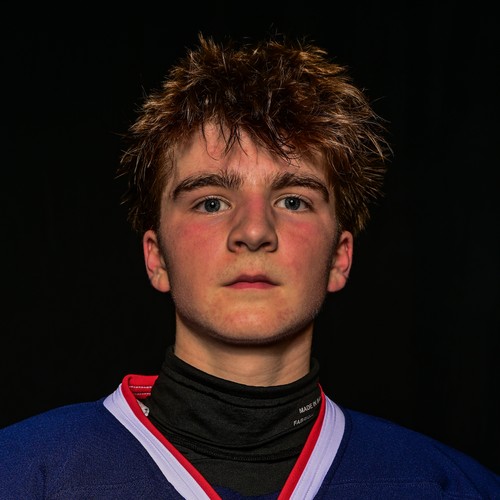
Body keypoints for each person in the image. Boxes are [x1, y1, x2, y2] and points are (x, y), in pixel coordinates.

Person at [0, 33, 498, 500]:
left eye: (294, 201)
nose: (255, 231)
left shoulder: (451, 486)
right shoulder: (22, 471)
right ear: (156, 257)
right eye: (211, 202)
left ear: (339, 257)